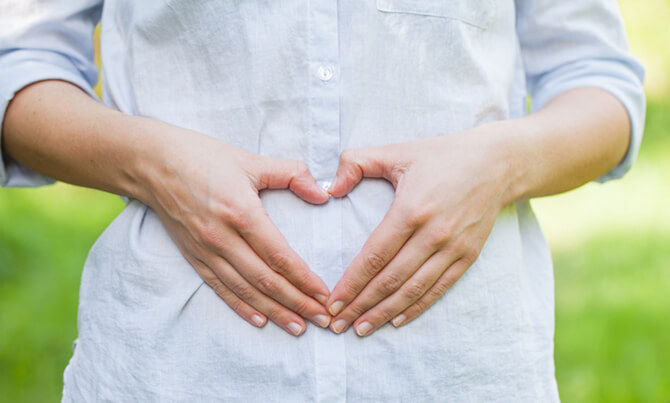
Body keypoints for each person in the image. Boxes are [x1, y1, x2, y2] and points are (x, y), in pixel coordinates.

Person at [0, 1, 645, 401]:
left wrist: (502, 164)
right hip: (180, 371)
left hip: (458, 372)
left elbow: (599, 85)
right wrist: (155, 166)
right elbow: (19, 66)